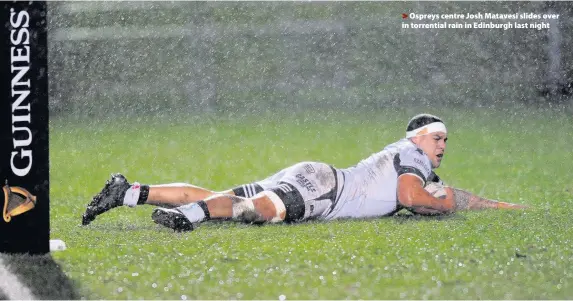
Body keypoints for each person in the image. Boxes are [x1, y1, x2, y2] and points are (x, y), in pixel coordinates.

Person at [81, 113, 527, 232]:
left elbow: (452, 194)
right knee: (255, 211)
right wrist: (440, 206)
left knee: (226, 195)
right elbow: (413, 197)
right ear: (417, 139)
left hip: (318, 176)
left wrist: (500, 206)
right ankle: (190, 218)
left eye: (446, 141)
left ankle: (129, 192)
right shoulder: (409, 156)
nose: (442, 147)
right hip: (326, 191)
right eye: (437, 139)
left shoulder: (410, 158)